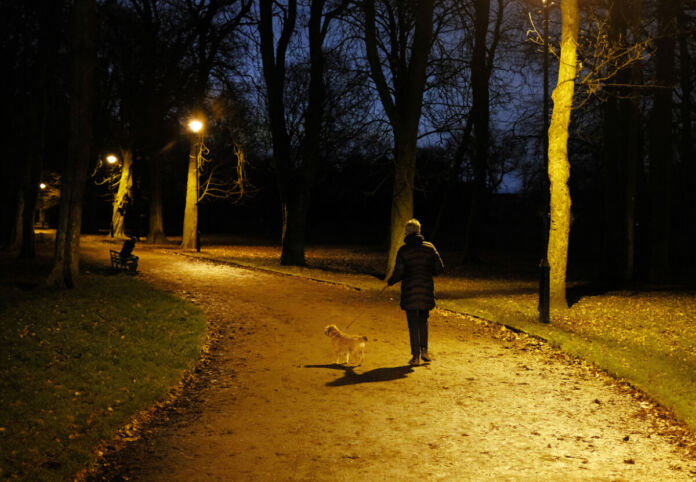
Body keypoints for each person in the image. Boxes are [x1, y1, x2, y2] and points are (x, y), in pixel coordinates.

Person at [387, 218, 444, 366]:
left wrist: (391, 281)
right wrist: (428, 271)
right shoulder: (430, 247)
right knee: (423, 321)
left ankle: (415, 356)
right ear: (419, 231)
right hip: (425, 290)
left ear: (407, 232)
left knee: (413, 324)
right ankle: (424, 350)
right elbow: (439, 268)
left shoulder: (404, 250)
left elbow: (399, 272)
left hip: (410, 291)